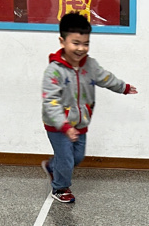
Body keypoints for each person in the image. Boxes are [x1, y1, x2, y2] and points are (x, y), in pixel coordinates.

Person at [40, 12, 137, 203]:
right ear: (62, 41)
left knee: (77, 157)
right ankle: (60, 188)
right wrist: (65, 126)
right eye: (75, 43)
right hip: (57, 125)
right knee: (67, 160)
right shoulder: (54, 71)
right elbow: (50, 101)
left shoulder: (90, 65)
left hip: (81, 122)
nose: (81, 48)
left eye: (86, 44)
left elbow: (105, 77)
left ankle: (52, 166)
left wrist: (123, 87)